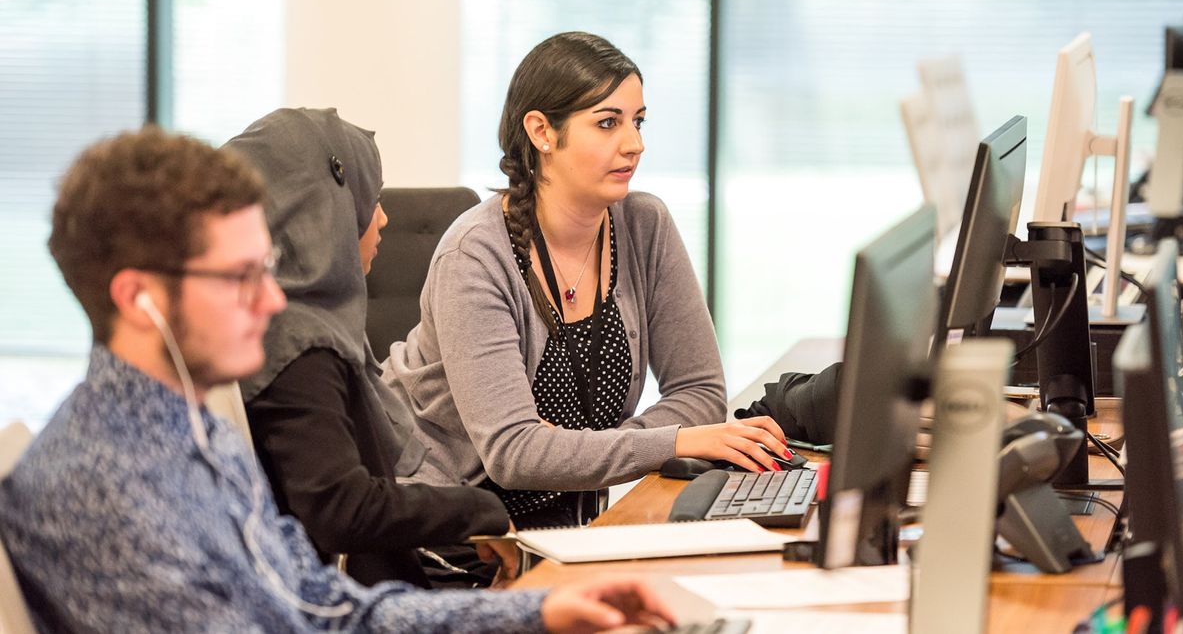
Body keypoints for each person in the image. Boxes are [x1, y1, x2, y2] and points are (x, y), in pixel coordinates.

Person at [0, 126, 673, 632]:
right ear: (136, 298)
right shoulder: (104, 485)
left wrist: (535, 611)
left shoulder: (196, 435)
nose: (270, 301)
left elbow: (319, 603)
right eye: (240, 276)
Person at [384, 31, 792, 529]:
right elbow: (514, 453)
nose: (635, 144)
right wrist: (673, 440)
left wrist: (592, 451)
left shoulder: (644, 225)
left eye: (638, 122)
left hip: (571, 524)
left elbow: (700, 391)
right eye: (607, 123)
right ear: (541, 132)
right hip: (455, 534)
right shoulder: (475, 256)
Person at [224, 107, 513, 589]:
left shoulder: (294, 325)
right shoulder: (299, 346)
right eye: (370, 199)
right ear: (326, 212)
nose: (382, 217)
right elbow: (341, 509)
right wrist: (479, 511)